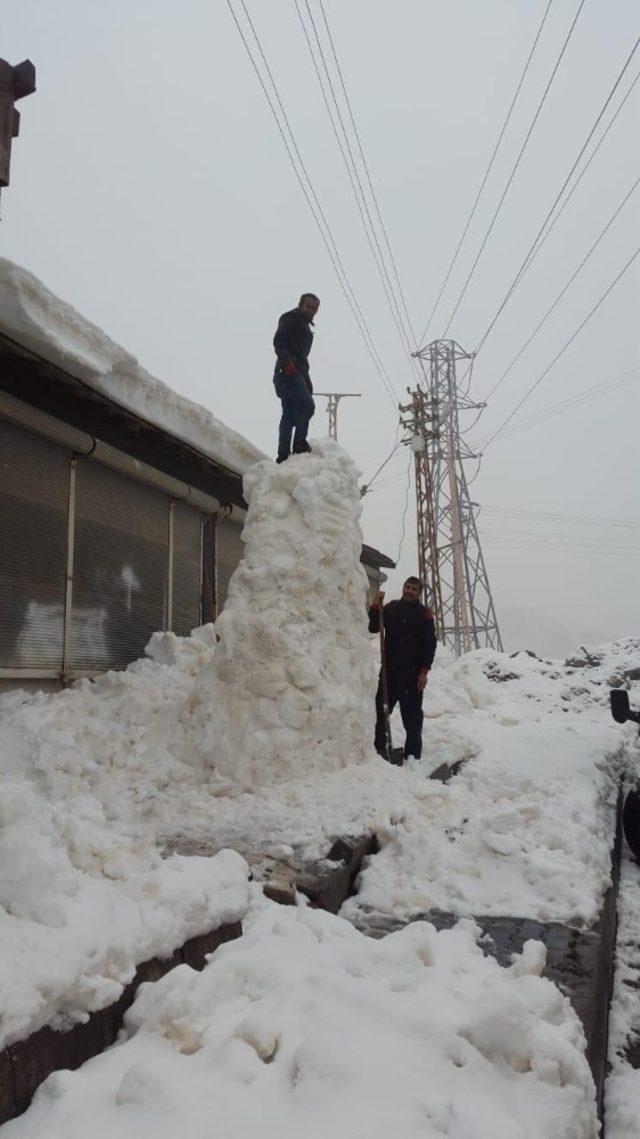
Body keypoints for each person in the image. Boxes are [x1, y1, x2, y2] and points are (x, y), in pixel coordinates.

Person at [368, 576, 437, 763]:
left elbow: (430, 645)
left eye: (414, 589)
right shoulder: (391, 609)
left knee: (412, 720)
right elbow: (373, 627)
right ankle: (379, 750)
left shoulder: (425, 615)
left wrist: (424, 672)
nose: (409, 591)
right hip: (390, 673)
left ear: (419, 593)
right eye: (407, 587)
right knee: (380, 715)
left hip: (413, 677)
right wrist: (376, 606)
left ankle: (412, 757)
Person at [272, 293, 319, 463]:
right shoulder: (290, 318)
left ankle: (283, 455)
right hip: (287, 372)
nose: (311, 310)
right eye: (308, 306)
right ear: (300, 305)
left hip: (297, 372)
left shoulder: (306, 327)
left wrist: (307, 379)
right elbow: (279, 341)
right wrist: (286, 362)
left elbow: (301, 357)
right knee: (307, 405)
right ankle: (299, 445)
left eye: (314, 308)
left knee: (290, 414)